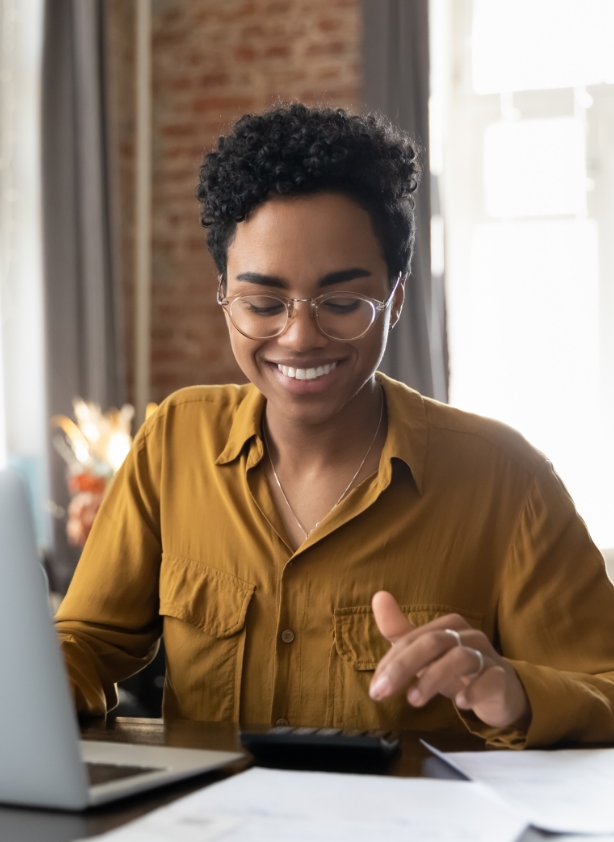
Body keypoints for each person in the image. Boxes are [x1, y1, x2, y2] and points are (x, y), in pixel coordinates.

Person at [55, 104, 614, 748]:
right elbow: (88, 642)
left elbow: (605, 686)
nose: (299, 337)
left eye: (344, 303)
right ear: (223, 293)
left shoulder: (507, 480)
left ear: (397, 296)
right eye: (263, 304)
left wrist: (511, 690)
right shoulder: (175, 440)